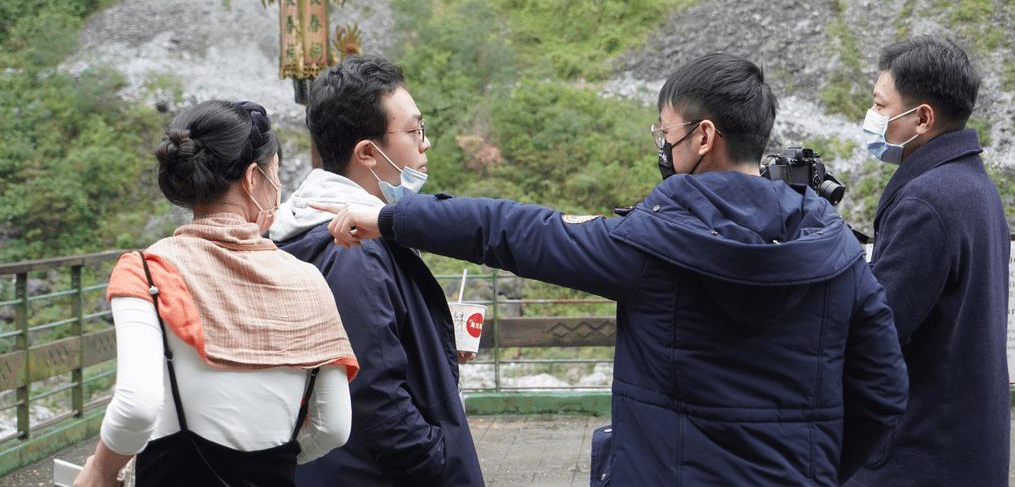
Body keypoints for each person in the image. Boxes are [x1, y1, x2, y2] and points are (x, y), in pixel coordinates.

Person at [316, 52, 910, 487]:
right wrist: (816, 465)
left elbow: (515, 231)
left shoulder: (651, 244)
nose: (661, 145)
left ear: (703, 137)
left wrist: (391, 218)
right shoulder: (837, 253)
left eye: (666, 132)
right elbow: (884, 393)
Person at [75, 100, 359, 487]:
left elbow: (137, 408)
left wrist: (99, 473)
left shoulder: (146, 270)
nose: (278, 190)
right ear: (253, 177)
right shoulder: (309, 281)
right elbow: (333, 428)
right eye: (275, 175)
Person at [268, 55, 486, 487]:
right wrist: (434, 459)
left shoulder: (308, 225)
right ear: (367, 152)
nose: (426, 144)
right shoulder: (354, 248)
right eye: (414, 131)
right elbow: (373, 390)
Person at [847, 36, 1011, 487]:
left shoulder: (926, 202)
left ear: (922, 118)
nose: (872, 118)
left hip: (918, 455)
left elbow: (875, 334)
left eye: (881, 106)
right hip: (968, 446)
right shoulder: (975, 185)